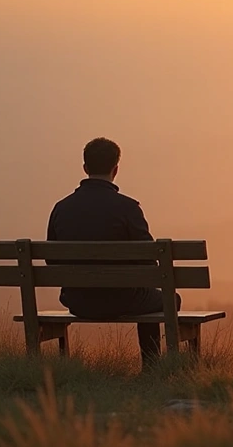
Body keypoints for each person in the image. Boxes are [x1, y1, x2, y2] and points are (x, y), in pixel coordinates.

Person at [46, 137, 180, 368]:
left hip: (78, 301)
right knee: (169, 299)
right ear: (115, 169)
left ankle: (62, 369)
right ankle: (151, 366)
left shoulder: (61, 208)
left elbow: (52, 260)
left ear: (85, 168)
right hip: (123, 299)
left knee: (147, 292)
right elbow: (149, 261)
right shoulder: (128, 208)